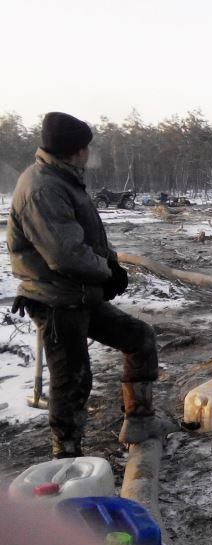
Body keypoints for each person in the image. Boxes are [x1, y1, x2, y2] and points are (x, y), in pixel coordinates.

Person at [6, 112, 175, 458]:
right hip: (55, 299)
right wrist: (105, 272)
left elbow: (88, 238)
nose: (89, 153)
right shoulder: (42, 188)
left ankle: (140, 421)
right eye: (87, 147)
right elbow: (66, 255)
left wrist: (111, 264)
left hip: (79, 294)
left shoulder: (65, 179)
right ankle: (66, 458)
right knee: (72, 382)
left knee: (139, 338)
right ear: (76, 149)